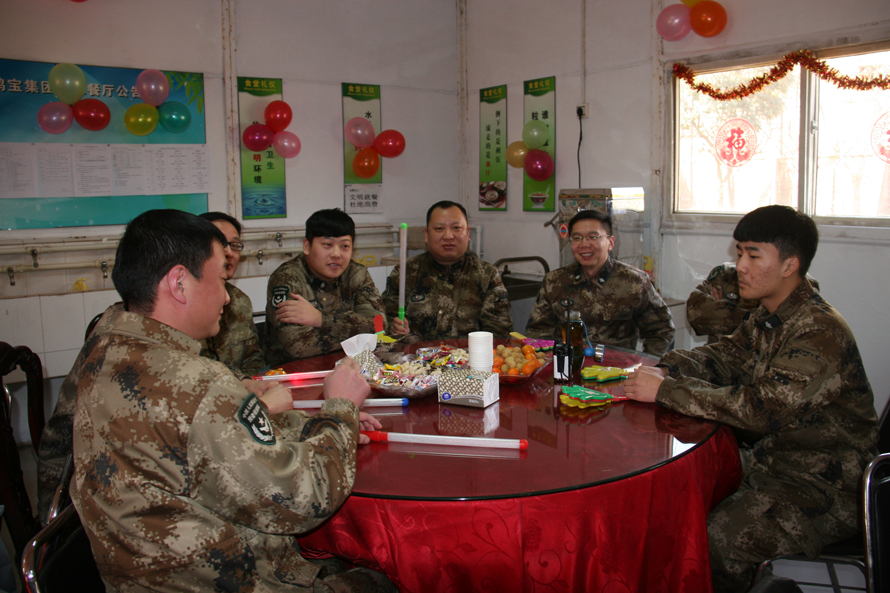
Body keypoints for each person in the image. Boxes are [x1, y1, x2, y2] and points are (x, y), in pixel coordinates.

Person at [66, 209, 394, 592]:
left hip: (137, 573)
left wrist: (315, 426)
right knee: (389, 577)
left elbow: (213, 441)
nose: (226, 296)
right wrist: (341, 409)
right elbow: (305, 500)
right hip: (227, 577)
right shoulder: (198, 383)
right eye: (220, 278)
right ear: (179, 283)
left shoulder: (104, 345)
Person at [623, 205, 878, 593]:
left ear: (790, 265)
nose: (740, 266)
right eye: (739, 252)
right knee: (671, 500)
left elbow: (762, 410)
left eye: (753, 255)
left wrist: (666, 391)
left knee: (714, 541)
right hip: (773, 461)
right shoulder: (770, 315)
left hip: (824, 486)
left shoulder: (818, 331)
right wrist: (667, 368)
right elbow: (725, 356)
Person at [525, 209, 674, 356]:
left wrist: (647, 364)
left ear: (610, 242)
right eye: (577, 238)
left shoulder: (634, 282)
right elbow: (538, 333)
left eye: (593, 237)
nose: (584, 244)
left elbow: (662, 330)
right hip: (567, 367)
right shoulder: (555, 282)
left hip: (616, 368)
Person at [264, 208, 385, 367]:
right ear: (307, 246)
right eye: (327, 244)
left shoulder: (357, 274)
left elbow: (379, 327)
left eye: (344, 246)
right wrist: (358, 337)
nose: (336, 254)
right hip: (295, 371)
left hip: (353, 366)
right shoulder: (287, 278)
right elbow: (298, 346)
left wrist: (320, 320)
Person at [382, 200, 513, 340]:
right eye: (439, 228)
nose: (448, 236)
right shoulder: (405, 272)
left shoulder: (486, 275)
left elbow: (499, 333)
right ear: (426, 234)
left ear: (468, 233)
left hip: (470, 353)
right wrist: (396, 330)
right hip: (416, 353)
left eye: (456, 228)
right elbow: (385, 319)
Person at [197, 212, 266, 378]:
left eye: (235, 245)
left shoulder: (239, 301)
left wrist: (252, 385)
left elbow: (253, 360)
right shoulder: (184, 302)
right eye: (220, 243)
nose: (229, 252)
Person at [686, 261, 820, 344]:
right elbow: (696, 313)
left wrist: (722, 313)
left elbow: (781, 328)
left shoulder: (798, 282)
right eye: (741, 252)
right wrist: (752, 319)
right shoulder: (726, 274)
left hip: (762, 367)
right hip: (718, 360)